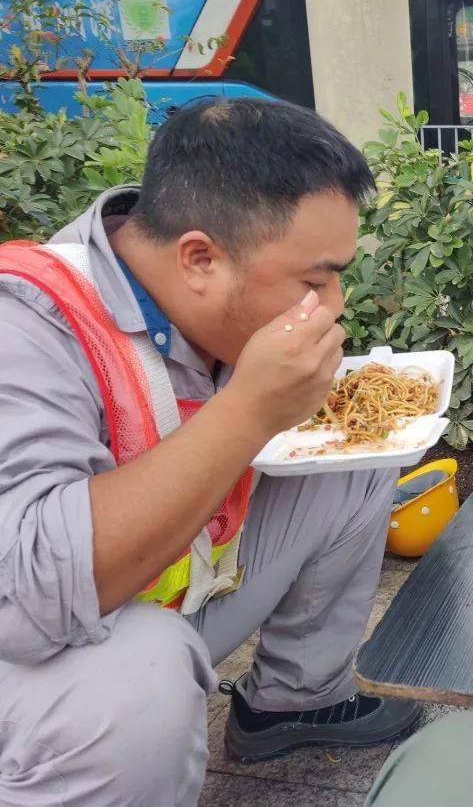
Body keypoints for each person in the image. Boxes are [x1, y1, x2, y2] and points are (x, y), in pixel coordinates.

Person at [0, 99, 420, 804]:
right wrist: (249, 407)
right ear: (199, 258)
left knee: (359, 455)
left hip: (169, 588)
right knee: (142, 676)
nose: (335, 304)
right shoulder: (27, 322)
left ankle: (294, 700)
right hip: (37, 652)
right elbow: (26, 598)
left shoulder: (202, 305)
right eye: (315, 282)